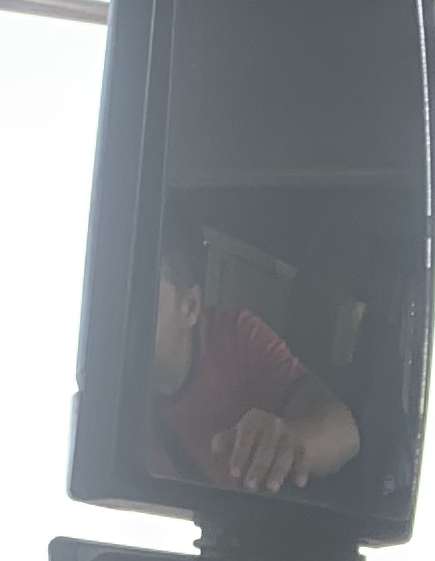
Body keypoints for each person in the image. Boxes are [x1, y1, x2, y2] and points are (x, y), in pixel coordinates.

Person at [150, 208, 362, 494]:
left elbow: (344, 434)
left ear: (189, 306)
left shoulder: (236, 337)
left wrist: (290, 442)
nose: (121, 312)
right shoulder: (100, 368)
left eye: (141, 294)